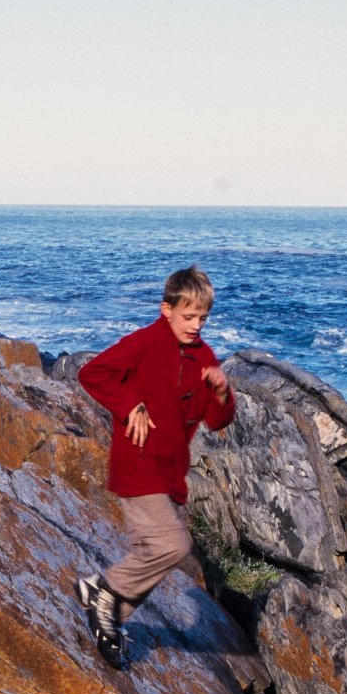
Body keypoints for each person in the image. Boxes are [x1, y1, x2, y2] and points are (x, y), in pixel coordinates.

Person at [75, 265, 237, 667]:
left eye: (203, 318)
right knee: (173, 545)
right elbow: (91, 373)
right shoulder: (145, 342)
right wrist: (131, 404)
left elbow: (217, 421)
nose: (196, 325)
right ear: (167, 309)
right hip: (137, 463)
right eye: (189, 316)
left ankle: (105, 608)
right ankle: (104, 596)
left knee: (155, 552)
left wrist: (221, 393)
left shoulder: (204, 357)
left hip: (170, 474)